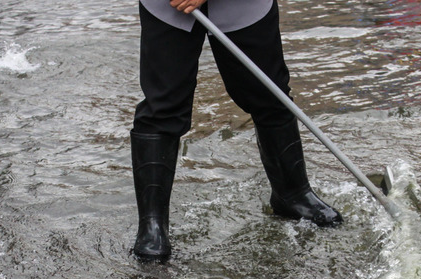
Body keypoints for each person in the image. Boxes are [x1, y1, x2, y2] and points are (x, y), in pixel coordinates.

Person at [131, 0, 343, 262]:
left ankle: (293, 195)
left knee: (270, 97)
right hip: (167, 6)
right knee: (162, 108)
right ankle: (152, 225)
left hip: (243, 5)